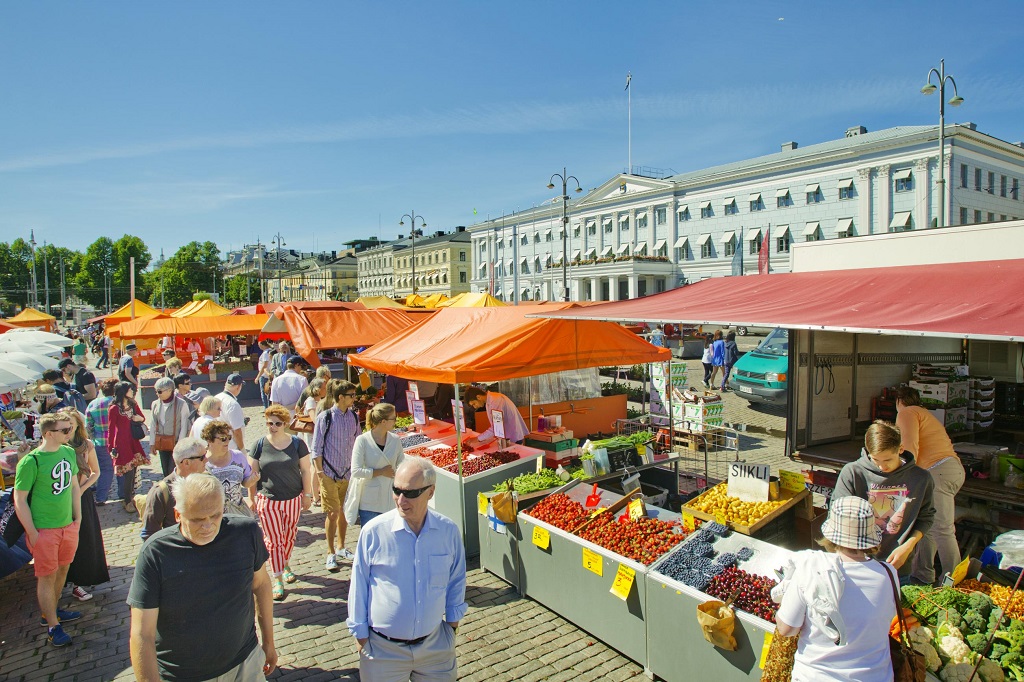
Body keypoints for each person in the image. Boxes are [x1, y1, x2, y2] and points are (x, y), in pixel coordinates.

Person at [128, 473, 277, 680]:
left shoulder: (246, 532)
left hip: (245, 663)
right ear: (178, 515)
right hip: (182, 675)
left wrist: (268, 641)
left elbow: (260, 585)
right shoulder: (155, 553)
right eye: (197, 520)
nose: (208, 526)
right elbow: (142, 634)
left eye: (215, 516)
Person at [347, 457, 467, 681]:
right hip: (382, 652)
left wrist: (451, 627)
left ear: (430, 492)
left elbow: (456, 579)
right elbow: (359, 584)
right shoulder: (374, 532)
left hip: (435, 648)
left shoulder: (448, 531)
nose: (401, 500)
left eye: (411, 493)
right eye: (396, 490)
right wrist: (361, 635)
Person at [775, 495, 899, 682]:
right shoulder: (889, 574)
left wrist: (783, 601)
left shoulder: (811, 568)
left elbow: (787, 629)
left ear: (830, 535)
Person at [13, 412, 83, 647]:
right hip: (44, 530)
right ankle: (53, 626)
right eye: (65, 430)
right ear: (48, 433)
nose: (69, 433)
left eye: (70, 428)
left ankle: (51, 612)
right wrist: (32, 532)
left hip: (67, 527)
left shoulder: (68, 452)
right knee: (47, 576)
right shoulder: (30, 461)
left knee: (63, 570)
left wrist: (78, 517)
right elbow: (19, 499)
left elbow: (74, 486)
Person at [832, 420, 936, 578]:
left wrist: (907, 547)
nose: (882, 467)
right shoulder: (853, 472)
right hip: (856, 565)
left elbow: (926, 517)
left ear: (900, 449)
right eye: (875, 460)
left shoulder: (921, 478)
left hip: (898, 567)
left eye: (887, 460)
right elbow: (837, 516)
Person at [896, 385, 966, 585]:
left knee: (943, 529)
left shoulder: (907, 412)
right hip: (947, 470)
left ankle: (954, 582)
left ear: (898, 402)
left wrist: (902, 476)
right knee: (927, 524)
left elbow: (910, 448)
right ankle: (922, 576)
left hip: (938, 470)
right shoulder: (925, 413)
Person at [249, 405, 313, 601]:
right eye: (269, 423)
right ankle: (277, 578)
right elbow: (252, 475)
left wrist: (308, 494)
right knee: (273, 540)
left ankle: (284, 563)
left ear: (285, 424)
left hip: (293, 498)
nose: (273, 426)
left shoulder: (297, 444)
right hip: (268, 500)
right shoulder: (259, 444)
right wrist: (251, 498)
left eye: (277, 423)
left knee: (289, 536)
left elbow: (305, 470)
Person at [61, 407, 109, 602]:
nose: (69, 428)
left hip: (82, 497)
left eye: (72, 424)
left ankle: (79, 583)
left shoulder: (86, 444)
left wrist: (81, 489)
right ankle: (63, 580)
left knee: (84, 539)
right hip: (62, 498)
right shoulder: (58, 446)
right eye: (65, 425)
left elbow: (95, 472)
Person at [312, 380, 359, 572]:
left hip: (347, 473)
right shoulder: (326, 417)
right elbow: (316, 448)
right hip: (329, 473)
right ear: (341, 397)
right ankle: (330, 552)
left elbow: (358, 443)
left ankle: (341, 547)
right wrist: (321, 473)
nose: (354, 399)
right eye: (351, 396)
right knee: (332, 514)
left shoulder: (354, 418)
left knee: (344, 514)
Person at [140, 437, 209, 541]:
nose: (207, 459)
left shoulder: (208, 481)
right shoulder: (162, 491)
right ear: (186, 463)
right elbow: (149, 534)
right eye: (202, 457)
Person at [349, 403, 404, 527]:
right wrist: (380, 472)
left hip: (390, 499)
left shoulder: (395, 440)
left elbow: (402, 464)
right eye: (394, 418)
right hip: (370, 502)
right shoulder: (362, 440)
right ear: (383, 421)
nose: (396, 421)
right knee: (371, 540)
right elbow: (356, 471)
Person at [108, 381, 149, 513]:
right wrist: (111, 448)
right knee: (128, 472)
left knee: (134, 470)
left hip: (133, 441)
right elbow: (111, 429)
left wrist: (138, 418)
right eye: (130, 390)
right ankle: (127, 500)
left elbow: (142, 418)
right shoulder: (114, 409)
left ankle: (130, 498)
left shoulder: (133, 404)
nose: (132, 392)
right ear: (123, 392)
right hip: (122, 443)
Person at [203, 420, 259, 517]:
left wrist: (252, 479)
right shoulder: (201, 461)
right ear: (209, 440)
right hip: (212, 517)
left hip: (238, 513)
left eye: (229, 438)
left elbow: (245, 483)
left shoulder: (238, 456)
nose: (228, 441)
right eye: (223, 438)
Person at [149, 377, 192, 478]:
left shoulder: (181, 404)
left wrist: (180, 445)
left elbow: (184, 425)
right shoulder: (155, 404)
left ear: (169, 390)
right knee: (165, 471)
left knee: (173, 471)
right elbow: (152, 424)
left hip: (176, 443)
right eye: (156, 391)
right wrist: (152, 443)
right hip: (162, 443)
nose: (157, 394)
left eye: (159, 391)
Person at [462, 386, 529, 447]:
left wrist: (478, 438)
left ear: (478, 397)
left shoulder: (495, 401)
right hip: (507, 436)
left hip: (513, 436)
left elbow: (496, 427)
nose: (475, 407)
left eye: (474, 404)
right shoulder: (491, 400)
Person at [85, 378, 118, 504]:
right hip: (115, 441)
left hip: (98, 442)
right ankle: (101, 497)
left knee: (99, 468)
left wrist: (93, 438)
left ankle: (98, 489)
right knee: (109, 469)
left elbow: (88, 425)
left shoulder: (94, 403)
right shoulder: (117, 403)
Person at [215, 374, 247, 451]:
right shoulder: (233, 404)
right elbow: (237, 431)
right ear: (238, 387)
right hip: (231, 447)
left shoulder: (216, 397)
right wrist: (242, 449)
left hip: (217, 443)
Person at [256, 340, 273, 410]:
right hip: (268, 374)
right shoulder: (270, 351)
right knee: (269, 392)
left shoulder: (266, 353)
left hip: (264, 375)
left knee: (265, 393)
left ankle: (267, 408)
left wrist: (258, 377)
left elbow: (264, 366)